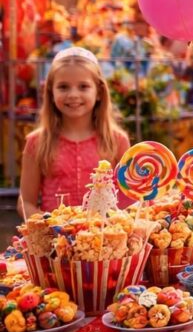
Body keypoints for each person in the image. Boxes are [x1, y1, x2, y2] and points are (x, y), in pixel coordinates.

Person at [19, 47, 130, 217]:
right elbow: (26, 202)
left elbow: (129, 198)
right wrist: (47, 224)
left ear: (99, 92)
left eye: (83, 87)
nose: (73, 94)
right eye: (63, 87)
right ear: (50, 91)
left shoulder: (117, 140)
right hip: (55, 240)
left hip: (102, 239)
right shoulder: (37, 142)